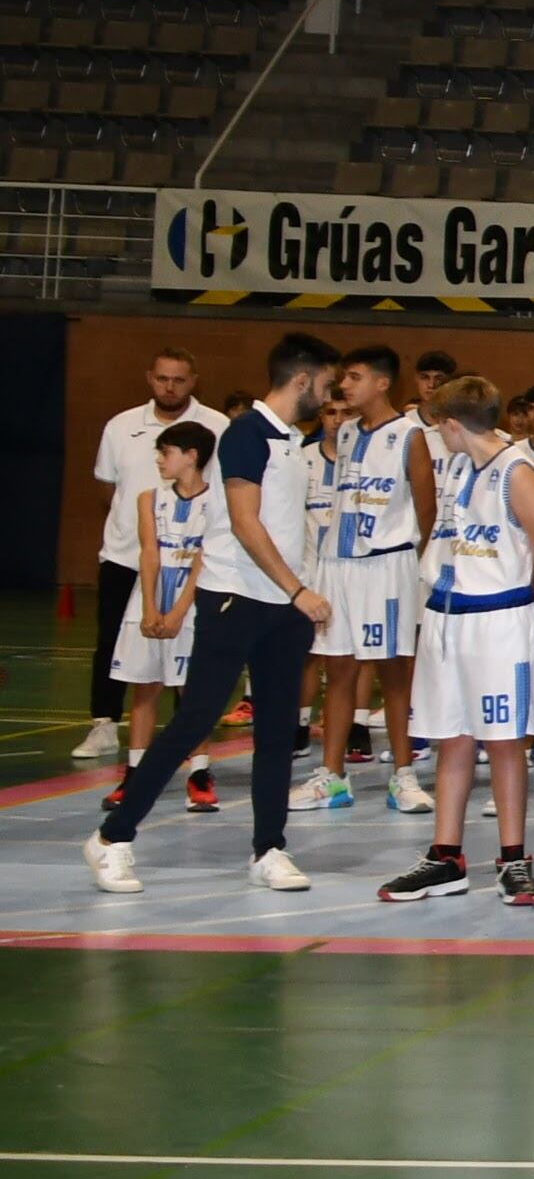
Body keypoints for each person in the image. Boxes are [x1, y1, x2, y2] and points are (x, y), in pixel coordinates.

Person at [88, 332, 341, 899]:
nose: (327, 396)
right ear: (301, 381)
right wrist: (300, 589)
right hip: (235, 599)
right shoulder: (246, 434)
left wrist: (297, 596)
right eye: (324, 385)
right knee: (194, 719)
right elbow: (246, 523)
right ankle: (112, 838)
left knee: (278, 731)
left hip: (282, 607)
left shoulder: (291, 442)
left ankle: (269, 848)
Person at [377, 378, 534, 906]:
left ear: (453, 425)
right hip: (446, 615)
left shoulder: (517, 472)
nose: (438, 433)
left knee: (504, 741)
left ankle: (512, 858)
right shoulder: (459, 466)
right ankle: (446, 856)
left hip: (500, 619)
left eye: (439, 425)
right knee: (450, 737)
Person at [311, 346, 435, 816]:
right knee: (337, 671)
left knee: (394, 672)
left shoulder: (410, 436)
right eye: (344, 377)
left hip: (388, 565)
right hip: (338, 564)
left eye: (355, 377)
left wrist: (420, 567)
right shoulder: (343, 433)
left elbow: (427, 509)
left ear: (382, 383)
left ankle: (403, 775)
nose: (345, 385)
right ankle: (332, 776)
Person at [83, 351, 223, 762]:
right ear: (150, 378)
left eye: (179, 379)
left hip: (191, 562)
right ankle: (104, 724)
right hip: (129, 554)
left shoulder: (217, 426)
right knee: (113, 642)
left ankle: (189, 748)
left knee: (191, 660)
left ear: (194, 380)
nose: (169, 387)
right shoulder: (120, 426)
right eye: (162, 378)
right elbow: (108, 487)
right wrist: (142, 530)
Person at [108, 419, 215, 803]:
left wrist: (178, 612)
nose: (158, 459)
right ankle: (135, 771)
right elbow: (149, 552)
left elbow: (204, 559)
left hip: (193, 602)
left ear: (191, 456)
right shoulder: (149, 499)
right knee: (144, 686)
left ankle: (199, 773)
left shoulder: (217, 502)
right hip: (150, 597)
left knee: (194, 691)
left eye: (165, 452)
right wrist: (153, 607)